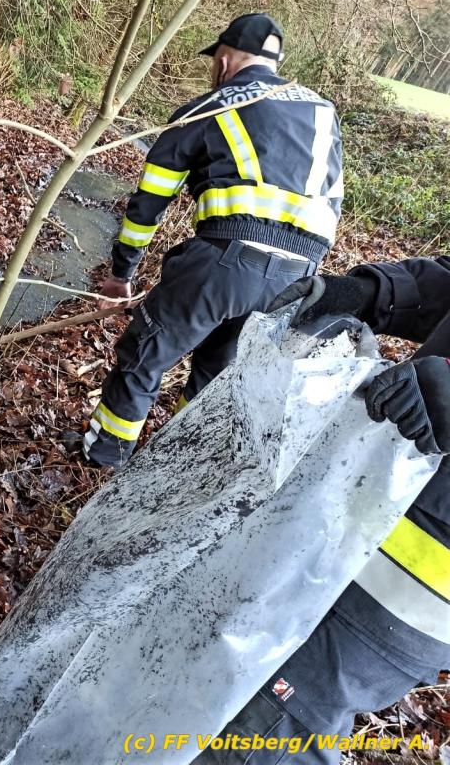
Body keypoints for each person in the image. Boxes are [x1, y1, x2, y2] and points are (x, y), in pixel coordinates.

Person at [195, 259, 450, 763]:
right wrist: (369, 293)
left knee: (265, 726)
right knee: (209, 679)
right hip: (358, 508)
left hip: (405, 585)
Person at [80, 14, 344, 468]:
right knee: (215, 376)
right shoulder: (323, 111)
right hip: (297, 278)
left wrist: (122, 273)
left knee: (144, 355)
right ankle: (171, 469)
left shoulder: (209, 107)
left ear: (224, 60)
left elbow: (150, 198)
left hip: (227, 260)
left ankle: (103, 458)